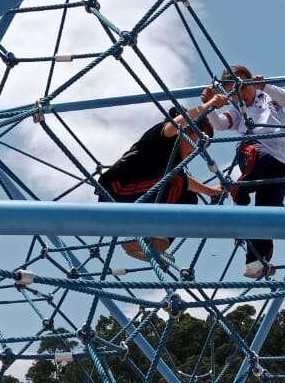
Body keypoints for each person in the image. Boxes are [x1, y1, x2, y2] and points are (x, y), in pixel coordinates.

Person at [95, 97, 225, 261]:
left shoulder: (176, 161)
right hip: (117, 190)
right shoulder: (164, 135)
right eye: (198, 142)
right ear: (186, 132)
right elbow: (176, 125)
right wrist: (208, 105)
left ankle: (153, 244)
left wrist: (210, 191)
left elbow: (186, 182)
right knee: (176, 181)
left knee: (189, 198)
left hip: (138, 192)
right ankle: (147, 232)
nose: (197, 150)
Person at [210, 65, 285, 279]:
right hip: (252, 150)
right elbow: (220, 124)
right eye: (233, 93)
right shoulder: (238, 110)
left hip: (280, 161)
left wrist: (264, 85)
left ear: (251, 83)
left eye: (242, 88)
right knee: (260, 163)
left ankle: (255, 262)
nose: (239, 96)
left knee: (268, 212)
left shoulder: (268, 96)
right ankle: (239, 190)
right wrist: (209, 105)